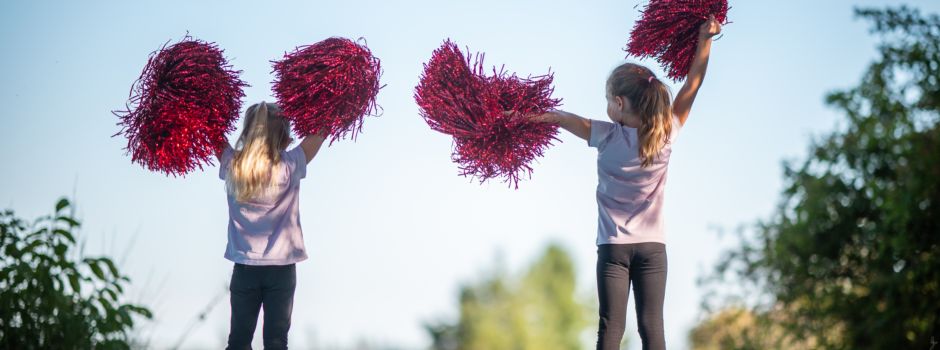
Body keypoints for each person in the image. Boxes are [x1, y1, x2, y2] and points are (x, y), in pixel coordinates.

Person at [528, 16, 722, 350]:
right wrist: (705, 38)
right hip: (652, 249)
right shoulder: (666, 135)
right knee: (652, 327)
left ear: (618, 104)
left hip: (613, 248)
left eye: (608, 99)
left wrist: (519, 116)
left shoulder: (605, 135)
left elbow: (560, 118)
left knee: (611, 328)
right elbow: (693, 85)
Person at [216, 101, 325, 349]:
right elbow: (323, 127)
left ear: (247, 131)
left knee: (238, 341)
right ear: (284, 134)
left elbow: (208, 126)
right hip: (282, 269)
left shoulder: (233, 164)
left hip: (245, 268)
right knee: (277, 341)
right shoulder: (291, 164)